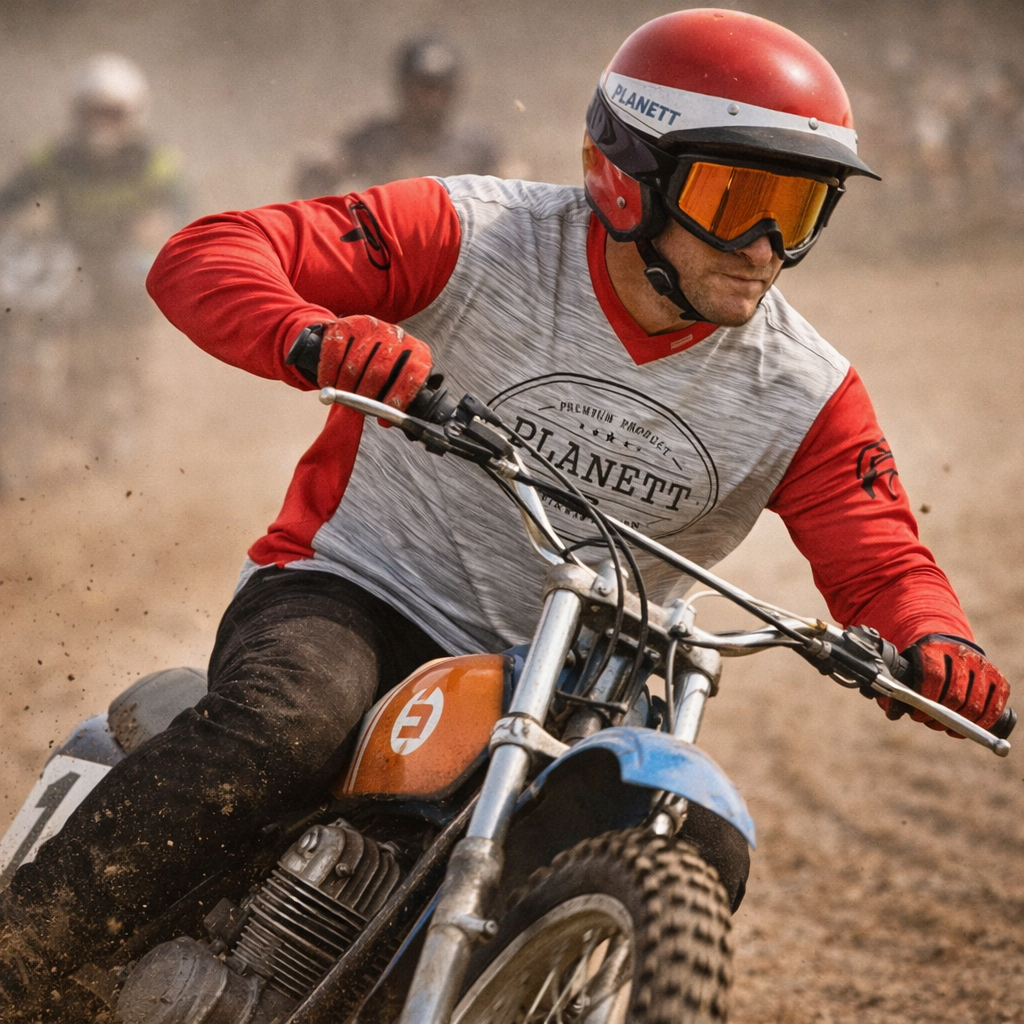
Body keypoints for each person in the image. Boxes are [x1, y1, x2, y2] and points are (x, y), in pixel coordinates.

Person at [0, 10, 1011, 1021]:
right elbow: (210, 252)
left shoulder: (806, 390)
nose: (764, 248)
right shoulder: (472, 232)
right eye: (737, 200)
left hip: (587, 675)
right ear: (633, 176)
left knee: (673, 835)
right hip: (364, 590)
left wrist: (936, 638)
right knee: (289, 723)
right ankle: (24, 954)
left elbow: (883, 562)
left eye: (798, 210)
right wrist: (315, 337)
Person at [0, 52, 190, 326]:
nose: (100, 125)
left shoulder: (155, 163)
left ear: (133, 114)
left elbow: (183, 212)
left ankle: (122, 348)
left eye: (111, 114)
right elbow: (9, 199)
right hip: (68, 253)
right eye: (91, 113)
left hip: (128, 253)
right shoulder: (54, 157)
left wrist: (162, 223)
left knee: (136, 281)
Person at [292, 34, 505, 198]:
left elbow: (510, 194)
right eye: (423, 87)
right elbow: (314, 176)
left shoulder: (477, 148)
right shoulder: (372, 141)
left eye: (441, 89)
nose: (432, 99)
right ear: (403, 87)